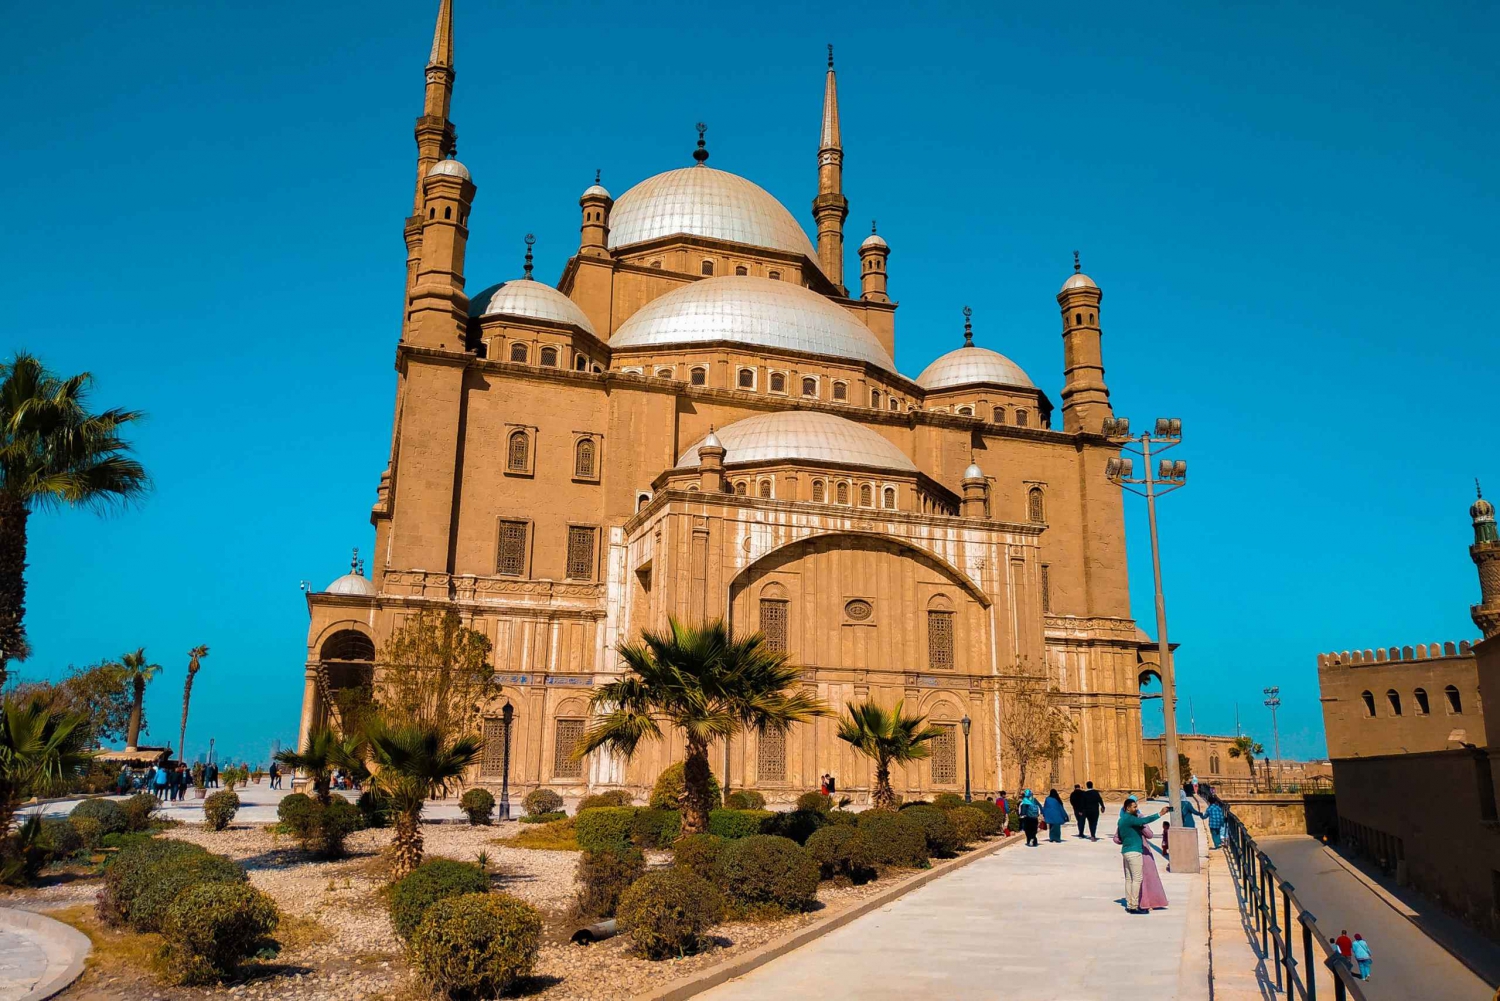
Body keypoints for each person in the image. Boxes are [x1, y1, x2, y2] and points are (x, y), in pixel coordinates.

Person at [1119, 796, 1172, 914]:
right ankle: (1134, 906)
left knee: (1129, 879)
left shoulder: (1121, 820)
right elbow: (1145, 821)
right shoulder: (1131, 819)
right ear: (1127, 808)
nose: (1136, 809)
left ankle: (1129, 903)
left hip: (1126, 851)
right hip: (1134, 851)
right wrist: (1160, 813)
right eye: (1134, 807)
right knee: (1137, 879)